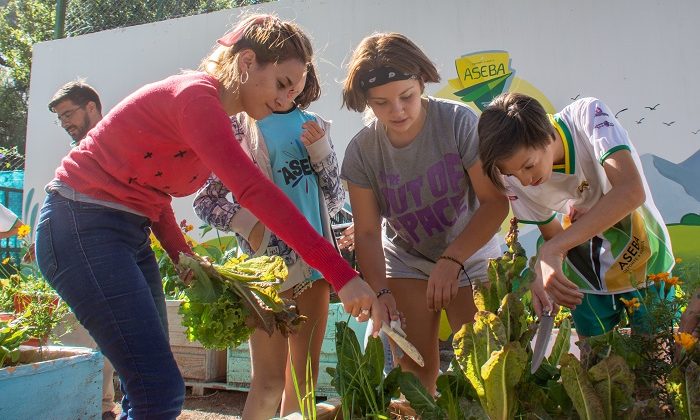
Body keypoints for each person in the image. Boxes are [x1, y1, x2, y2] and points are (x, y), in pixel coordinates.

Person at [35, 14, 379, 419]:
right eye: (282, 84)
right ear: (247, 62)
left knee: (148, 387)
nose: (287, 100)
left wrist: (182, 253)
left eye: (295, 91)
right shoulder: (196, 97)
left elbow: (151, 189)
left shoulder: (218, 113)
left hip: (126, 230)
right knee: (159, 390)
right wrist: (342, 273)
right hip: (80, 225)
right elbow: (254, 192)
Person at [340, 33, 508, 393]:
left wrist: (453, 259)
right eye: (381, 103)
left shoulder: (458, 121)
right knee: (415, 375)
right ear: (367, 102)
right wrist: (381, 293)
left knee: (485, 372)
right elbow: (368, 233)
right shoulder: (362, 152)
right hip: (406, 261)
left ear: (422, 82)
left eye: (407, 97)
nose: (397, 111)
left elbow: (495, 203)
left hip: (472, 256)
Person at [193, 63, 340, 418]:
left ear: (306, 72)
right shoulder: (240, 125)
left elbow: (334, 201)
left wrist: (321, 153)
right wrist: (250, 225)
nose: (287, 89)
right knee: (269, 381)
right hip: (265, 274)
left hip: (315, 268)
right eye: (280, 79)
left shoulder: (314, 123)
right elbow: (205, 201)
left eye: (296, 77)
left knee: (304, 379)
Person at [477, 92, 676, 339]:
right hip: (587, 276)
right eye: (513, 174)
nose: (525, 181)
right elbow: (553, 236)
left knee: (654, 359)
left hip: (646, 256)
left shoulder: (588, 116)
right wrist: (550, 273)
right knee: (595, 367)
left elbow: (631, 191)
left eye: (528, 166)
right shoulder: (513, 180)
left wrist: (552, 252)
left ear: (546, 133)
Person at [47, 80, 118, 420]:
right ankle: (102, 406)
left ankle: (104, 406)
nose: (65, 123)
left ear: (91, 106)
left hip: (108, 251)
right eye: (60, 118)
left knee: (107, 332)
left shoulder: (113, 140)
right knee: (99, 333)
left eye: (69, 114)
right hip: (84, 253)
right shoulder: (82, 148)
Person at [49, 80, 103, 145]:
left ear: (91, 107)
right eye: (60, 119)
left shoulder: (115, 137)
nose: (63, 125)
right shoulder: (77, 152)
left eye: (67, 115)